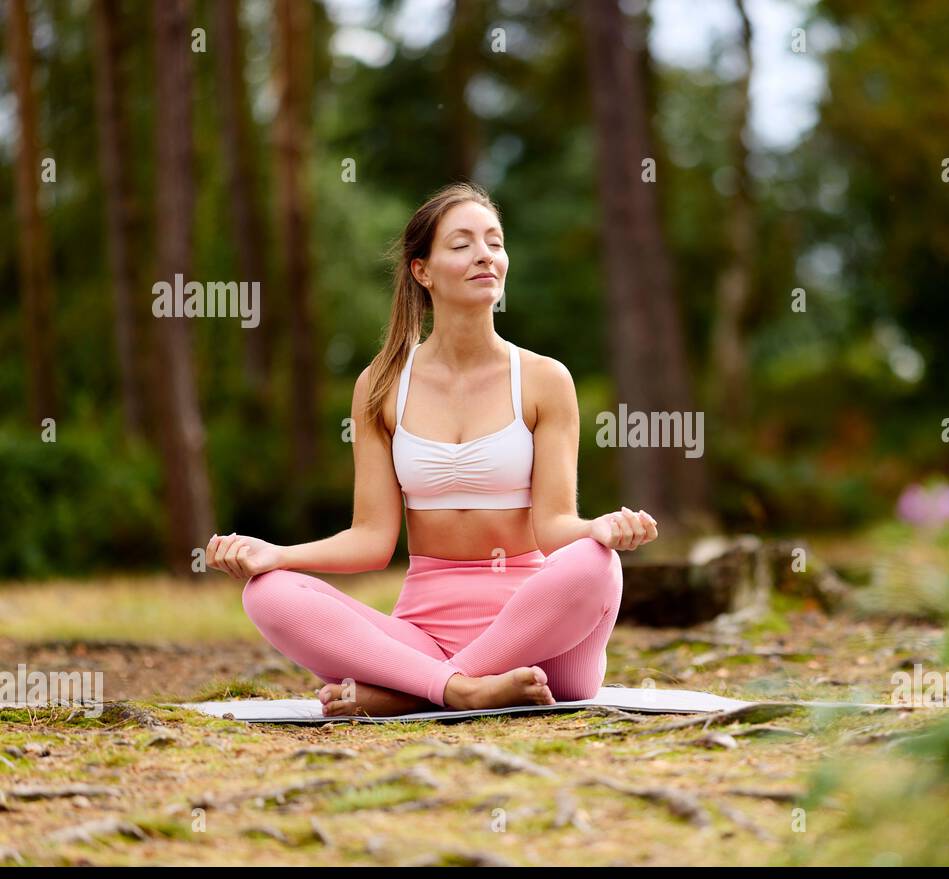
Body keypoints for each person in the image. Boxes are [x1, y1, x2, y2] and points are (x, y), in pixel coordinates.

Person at [205, 182, 658, 717]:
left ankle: (418, 692)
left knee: (597, 565)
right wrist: (276, 555)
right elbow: (372, 540)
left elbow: (555, 527)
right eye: (463, 243)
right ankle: (459, 690)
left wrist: (599, 530)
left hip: (541, 643)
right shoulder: (381, 385)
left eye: (494, 241)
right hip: (423, 634)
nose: (485, 254)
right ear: (422, 270)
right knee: (267, 593)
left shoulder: (543, 379)